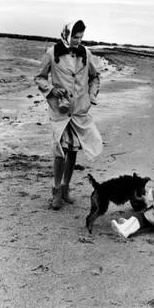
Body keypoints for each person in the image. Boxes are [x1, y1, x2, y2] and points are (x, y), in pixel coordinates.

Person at [35, 20, 103, 209]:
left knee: (73, 151)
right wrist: (51, 89)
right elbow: (39, 77)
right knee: (60, 151)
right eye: (75, 36)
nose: (78, 40)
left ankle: (66, 188)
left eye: (81, 37)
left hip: (80, 110)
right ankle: (56, 190)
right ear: (66, 34)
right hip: (61, 110)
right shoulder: (51, 53)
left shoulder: (86, 54)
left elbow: (95, 77)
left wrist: (91, 98)